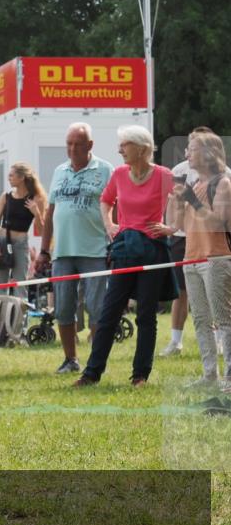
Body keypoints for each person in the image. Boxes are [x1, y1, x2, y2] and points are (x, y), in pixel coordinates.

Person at [74, 125, 176, 388]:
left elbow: (187, 202)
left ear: (142, 149)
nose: (119, 149)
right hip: (124, 250)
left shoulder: (164, 175)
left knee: (145, 315)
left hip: (153, 250)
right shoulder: (119, 174)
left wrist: (172, 227)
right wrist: (109, 225)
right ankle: (91, 374)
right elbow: (106, 201)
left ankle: (140, 375)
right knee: (109, 313)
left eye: (125, 145)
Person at [35, 123, 114, 374]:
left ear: (90, 145)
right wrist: (44, 249)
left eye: (77, 144)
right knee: (63, 307)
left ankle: (96, 360)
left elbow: (115, 206)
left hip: (96, 250)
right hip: (63, 253)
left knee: (97, 306)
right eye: (68, 144)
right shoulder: (59, 170)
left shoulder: (105, 170)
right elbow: (50, 213)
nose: (72, 149)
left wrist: (115, 240)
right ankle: (71, 359)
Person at [169, 129, 231, 389]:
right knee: (201, 320)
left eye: (192, 149)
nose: (187, 154)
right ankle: (209, 375)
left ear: (208, 154)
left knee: (224, 318)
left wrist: (192, 200)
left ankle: (229, 376)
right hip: (191, 258)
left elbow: (219, 221)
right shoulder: (194, 185)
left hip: (215, 258)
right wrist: (177, 202)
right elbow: (176, 224)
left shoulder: (224, 182)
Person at [0, 162, 47, 297]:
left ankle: (20, 318)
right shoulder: (6, 196)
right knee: (1, 287)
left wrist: (36, 213)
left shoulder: (37, 199)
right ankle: (1, 318)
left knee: (21, 286)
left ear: (22, 178)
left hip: (20, 244)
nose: (8, 178)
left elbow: (42, 230)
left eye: (11, 175)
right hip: (1, 242)